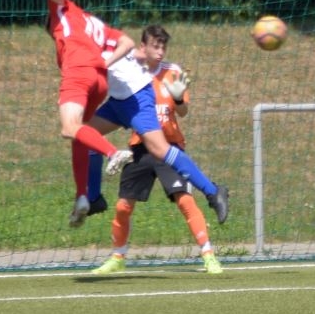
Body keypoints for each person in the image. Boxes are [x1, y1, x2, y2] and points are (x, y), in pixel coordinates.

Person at [1, 0, 136, 227]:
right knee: (79, 134)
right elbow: (128, 43)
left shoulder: (63, 9)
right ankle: (81, 196)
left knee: (69, 127)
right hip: (99, 80)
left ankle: (112, 153)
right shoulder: (95, 25)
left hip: (79, 72)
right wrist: (105, 63)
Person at [92, 26, 224, 275]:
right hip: (140, 147)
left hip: (169, 147)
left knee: (184, 200)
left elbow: (183, 112)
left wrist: (178, 99)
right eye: (155, 45)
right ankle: (118, 257)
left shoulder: (173, 72)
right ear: (142, 46)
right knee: (123, 206)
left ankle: (209, 255)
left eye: (163, 46)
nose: (160, 51)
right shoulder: (130, 71)